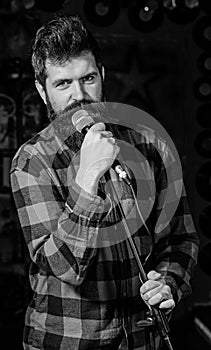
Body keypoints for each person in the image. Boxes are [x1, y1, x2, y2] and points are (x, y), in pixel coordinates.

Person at [10, 14, 199, 350]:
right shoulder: (32, 161)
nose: (79, 95)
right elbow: (63, 266)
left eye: (88, 78)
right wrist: (86, 178)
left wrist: (168, 283)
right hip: (66, 341)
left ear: (103, 75)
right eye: (63, 84)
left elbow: (181, 240)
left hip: (143, 340)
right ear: (42, 91)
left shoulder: (149, 146)